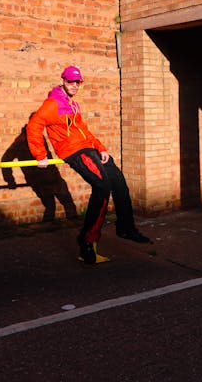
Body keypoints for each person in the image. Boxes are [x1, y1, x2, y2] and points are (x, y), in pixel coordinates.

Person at [26, 65, 151, 264]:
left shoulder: (73, 105)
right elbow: (34, 125)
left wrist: (101, 148)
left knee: (118, 181)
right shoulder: (52, 104)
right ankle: (86, 240)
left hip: (88, 148)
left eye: (78, 82)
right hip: (73, 151)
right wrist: (40, 154)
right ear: (63, 81)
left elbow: (84, 131)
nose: (74, 85)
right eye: (70, 81)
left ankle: (126, 229)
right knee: (102, 186)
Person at [1, 123, 78, 223]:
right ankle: (60, 229)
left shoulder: (38, 135)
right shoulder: (22, 140)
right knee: (55, 205)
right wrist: (10, 180)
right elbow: (6, 159)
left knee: (62, 204)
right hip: (40, 178)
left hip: (51, 175)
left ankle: (70, 227)